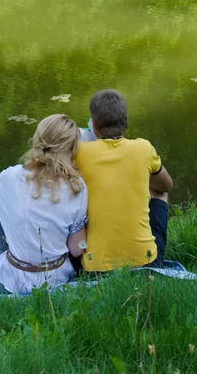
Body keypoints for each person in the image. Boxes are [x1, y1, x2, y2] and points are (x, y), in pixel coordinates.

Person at [0, 114, 88, 294]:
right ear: (71, 149)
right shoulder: (77, 186)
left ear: (38, 141)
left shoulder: (13, 177)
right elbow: (76, 249)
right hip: (56, 279)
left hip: (12, 281)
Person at [75, 89, 173, 272]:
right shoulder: (144, 148)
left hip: (95, 268)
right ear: (126, 123)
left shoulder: (80, 153)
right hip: (148, 262)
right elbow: (167, 185)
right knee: (159, 192)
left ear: (94, 124)